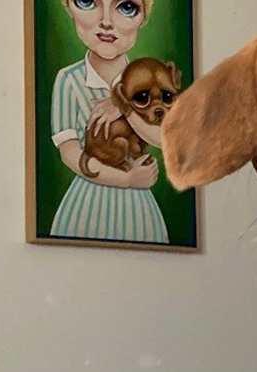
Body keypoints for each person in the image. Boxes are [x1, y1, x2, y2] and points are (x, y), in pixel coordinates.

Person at [47, 0, 171, 244]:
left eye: (126, 7)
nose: (106, 22)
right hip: (88, 200)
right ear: (68, 7)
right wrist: (127, 180)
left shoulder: (148, 78)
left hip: (138, 207)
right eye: (87, 2)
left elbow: (163, 139)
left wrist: (123, 106)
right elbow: (69, 153)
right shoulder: (69, 80)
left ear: (143, 16)